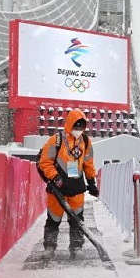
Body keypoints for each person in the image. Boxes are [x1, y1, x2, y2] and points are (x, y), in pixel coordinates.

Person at [38, 109, 99, 259]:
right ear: (70, 124)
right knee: (53, 219)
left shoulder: (85, 141)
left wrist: (91, 182)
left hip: (77, 187)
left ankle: (76, 247)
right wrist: (56, 178)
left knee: (77, 220)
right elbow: (45, 163)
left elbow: (88, 163)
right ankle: (49, 248)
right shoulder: (56, 140)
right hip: (58, 188)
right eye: (76, 126)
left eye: (81, 127)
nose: (78, 130)